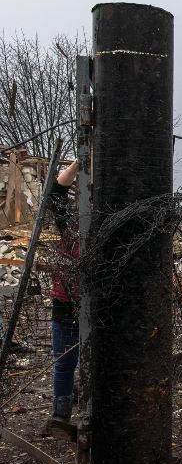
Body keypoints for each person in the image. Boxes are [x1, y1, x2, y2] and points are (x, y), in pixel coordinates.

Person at [46, 160, 80, 433]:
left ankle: (88, 404)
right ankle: (61, 414)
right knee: (65, 362)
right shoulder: (71, 225)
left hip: (98, 308)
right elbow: (56, 193)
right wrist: (79, 164)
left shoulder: (114, 225)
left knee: (95, 361)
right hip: (66, 304)